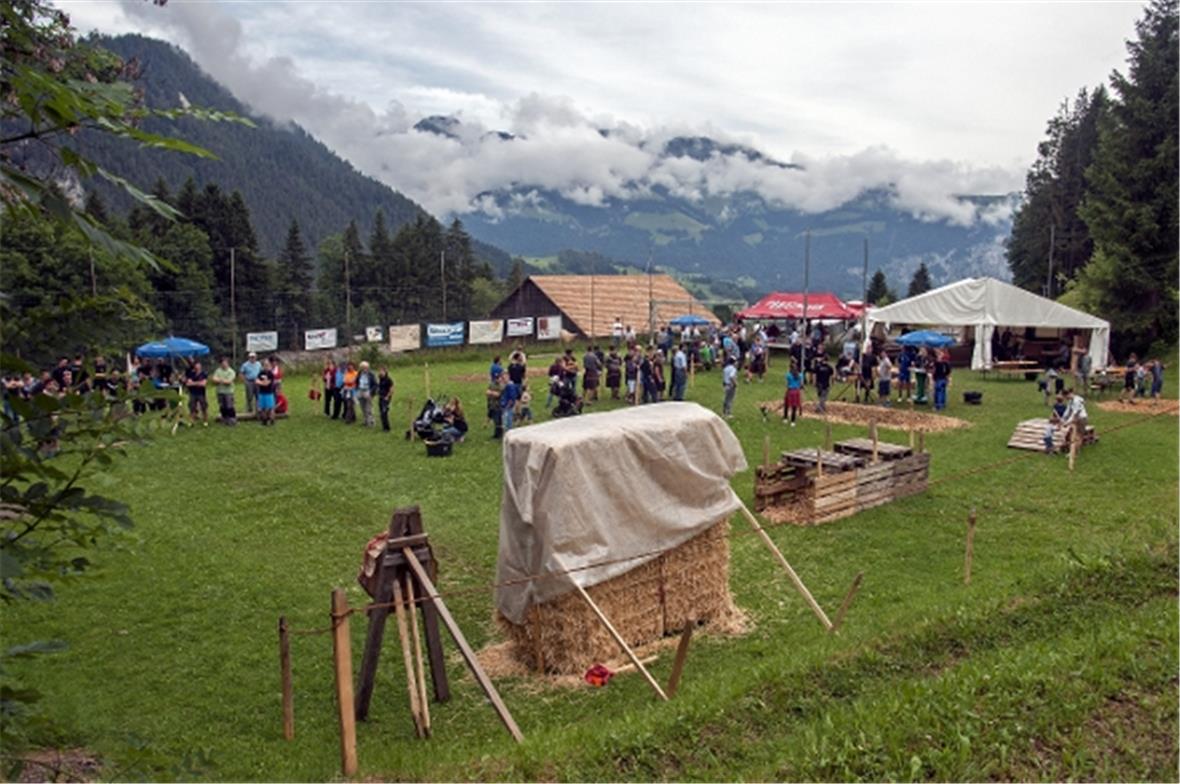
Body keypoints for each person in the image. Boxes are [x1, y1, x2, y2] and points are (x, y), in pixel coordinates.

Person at [211, 356, 237, 425]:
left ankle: (232, 419)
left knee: (229, 406)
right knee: (222, 406)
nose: (224, 364)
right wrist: (223, 380)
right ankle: (224, 419)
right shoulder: (218, 371)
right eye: (222, 363)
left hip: (229, 392)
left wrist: (219, 380)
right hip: (220, 391)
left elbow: (228, 382)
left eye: (225, 363)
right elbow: (213, 379)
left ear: (228, 363)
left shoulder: (231, 371)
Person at [184, 360, 209, 426]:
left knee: (204, 407)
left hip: (201, 393)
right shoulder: (191, 374)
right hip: (193, 393)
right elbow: (188, 384)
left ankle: (205, 421)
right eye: (196, 365)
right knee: (192, 408)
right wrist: (198, 383)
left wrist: (193, 383)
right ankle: (191, 421)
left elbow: (203, 384)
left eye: (198, 365)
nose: (197, 366)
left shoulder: (204, 374)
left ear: (200, 366)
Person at [255, 359, 276, 426]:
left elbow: (267, 384)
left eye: (267, 365)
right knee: (262, 408)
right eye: (264, 365)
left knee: (270, 408)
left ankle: (272, 420)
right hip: (262, 393)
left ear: (270, 366)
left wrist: (261, 382)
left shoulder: (271, 374)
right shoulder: (261, 373)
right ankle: (264, 420)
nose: (266, 366)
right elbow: (256, 381)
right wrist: (262, 383)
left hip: (269, 393)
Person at [356, 361, 377, 427]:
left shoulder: (371, 374)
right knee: (362, 407)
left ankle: (371, 422)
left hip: (368, 391)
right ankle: (365, 421)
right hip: (360, 391)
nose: (364, 369)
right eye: (363, 368)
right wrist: (357, 389)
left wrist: (371, 393)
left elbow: (375, 384)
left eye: (365, 367)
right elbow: (357, 381)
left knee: (368, 408)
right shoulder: (359, 373)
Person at [783, 361, 804, 426]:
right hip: (796, 392)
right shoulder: (800, 375)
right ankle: (793, 421)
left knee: (786, 405)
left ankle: (785, 418)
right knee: (794, 406)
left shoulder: (788, 375)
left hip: (790, 391)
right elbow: (801, 384)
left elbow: (787, 384)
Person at [378, 367, 394, 432]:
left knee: (384, 412)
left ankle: (387, 428)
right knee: (381, 413)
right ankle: (384, 427)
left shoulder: (388, 380)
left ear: (385, 372)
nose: (380, 372)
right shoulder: (381, 379)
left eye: (382, 371)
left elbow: (392, 389)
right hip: (381, 397)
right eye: (380, 371)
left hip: (386, 398)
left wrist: (387, 397)